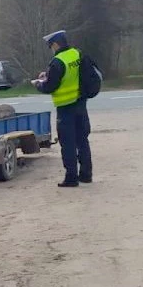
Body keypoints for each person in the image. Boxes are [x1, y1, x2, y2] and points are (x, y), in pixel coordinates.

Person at [31, 30, 93, 187]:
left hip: (65, 108)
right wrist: (49, 74)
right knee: (82, 140)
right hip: (80, 103)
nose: (51, 49)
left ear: (56, 44)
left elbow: (50, 86)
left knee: (68, 144)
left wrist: (38, 84)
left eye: (50, 46)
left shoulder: (57, 61)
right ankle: (86, 175)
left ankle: (71, 178)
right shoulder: (77, 54)